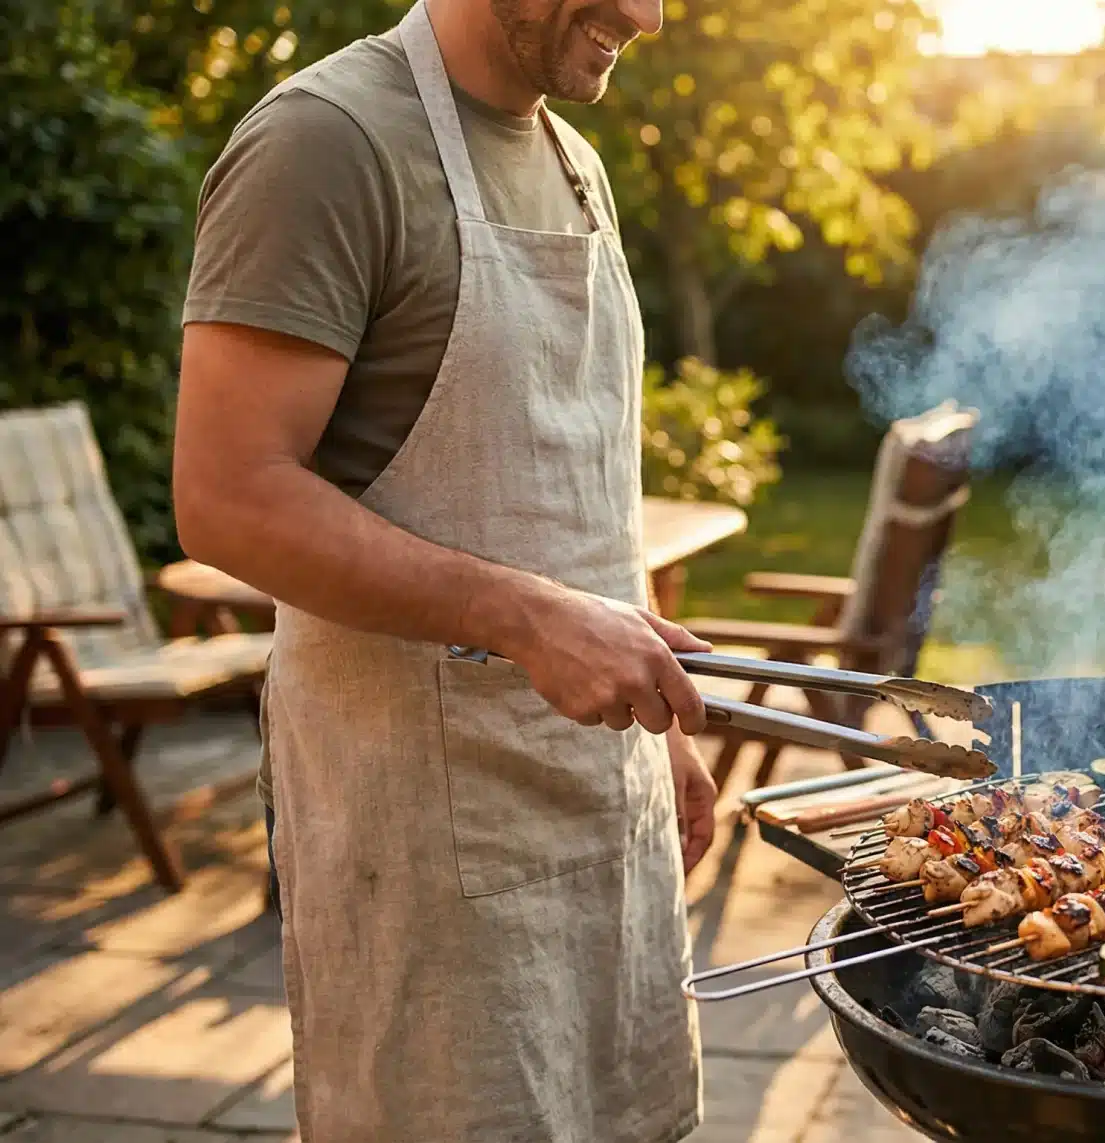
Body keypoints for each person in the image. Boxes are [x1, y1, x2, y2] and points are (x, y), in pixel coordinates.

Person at [172, 1, 712, 1139]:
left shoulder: (577, 163)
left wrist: (664, 734)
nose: (646, 15)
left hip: (602, 813)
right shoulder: (325, 143)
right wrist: (519, 617)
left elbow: (579, 488)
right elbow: (225, 495)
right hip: (426, 845)